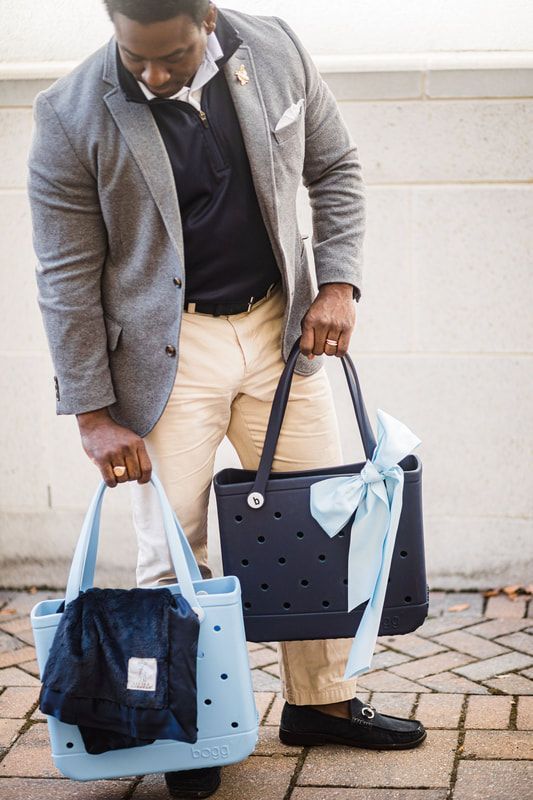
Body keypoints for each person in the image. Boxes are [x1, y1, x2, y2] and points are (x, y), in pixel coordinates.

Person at [27, 1, 426, 797]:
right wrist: (94, 415)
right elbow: (65, 273)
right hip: (164, 352)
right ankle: (189, 723)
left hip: (282, 332)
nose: (151, 74)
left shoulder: (274, 46)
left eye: (170, 56)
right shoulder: (69, 113)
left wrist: (338, 283)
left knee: (318, 523)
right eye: (134, 57)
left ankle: (321, 703)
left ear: (205, 18)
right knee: (168, 544)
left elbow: (334, 167)